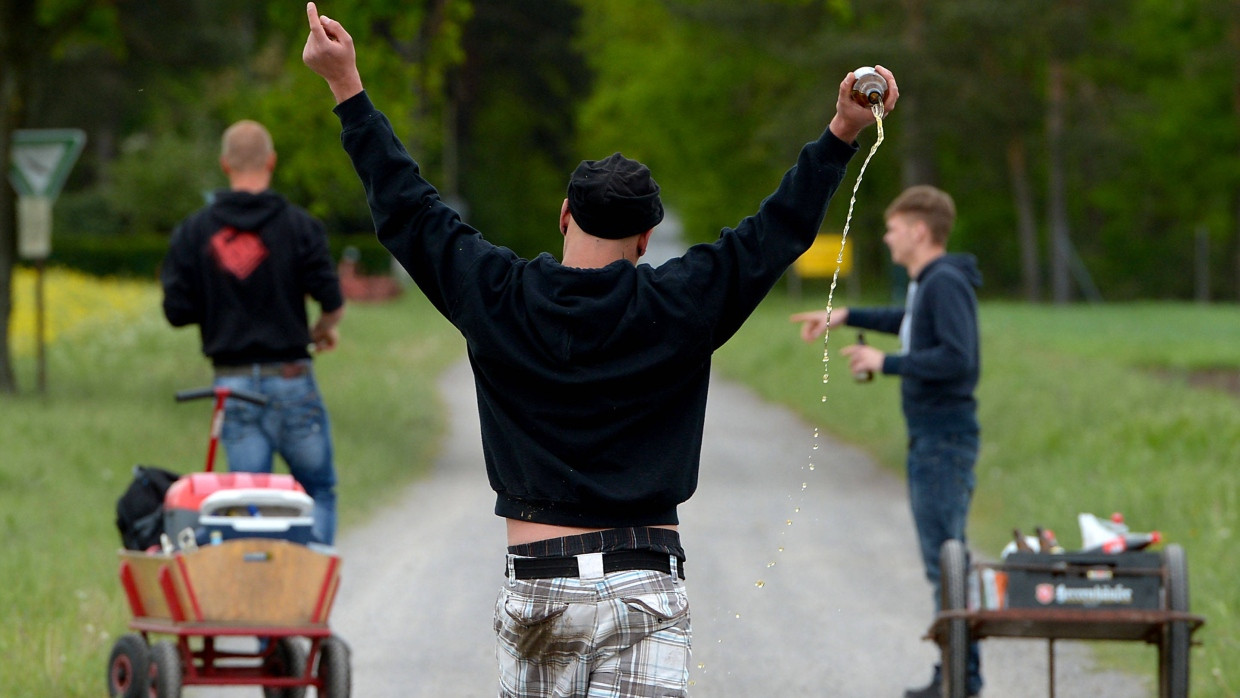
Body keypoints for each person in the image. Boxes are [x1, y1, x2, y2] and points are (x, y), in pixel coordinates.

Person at [303, 3, 895, 695]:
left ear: (564, 216)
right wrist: (843, 130)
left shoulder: (496, 294)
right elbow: (776, 230)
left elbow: (406, 208)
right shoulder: (682, 301)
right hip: (646, 580)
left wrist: (347, 87)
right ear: (646, 241)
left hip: (541, 583)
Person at [790, 185, 983, 697]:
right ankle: (958, 674)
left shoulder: (943, 282)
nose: (886, 236)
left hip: (945, 440)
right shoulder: (930, 282)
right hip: (933, 438)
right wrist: (847, 316)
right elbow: (912, 325)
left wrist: (886, 362)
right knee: (944, 561)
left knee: (946, 561)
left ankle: (962, 680)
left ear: (920, 231)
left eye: (894, 227)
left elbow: (959, 359)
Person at [160, 118, 345, 546]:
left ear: (225, 164)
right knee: (317, 489)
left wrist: (220, 300)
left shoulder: (194, 232)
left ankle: (258, 600)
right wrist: (322, 330)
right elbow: (333, 301)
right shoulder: (301, 226)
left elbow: (176, 310)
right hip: (293, 381)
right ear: (272, 162)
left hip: (234, 386)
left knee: (248, 506)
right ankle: (308, 597)